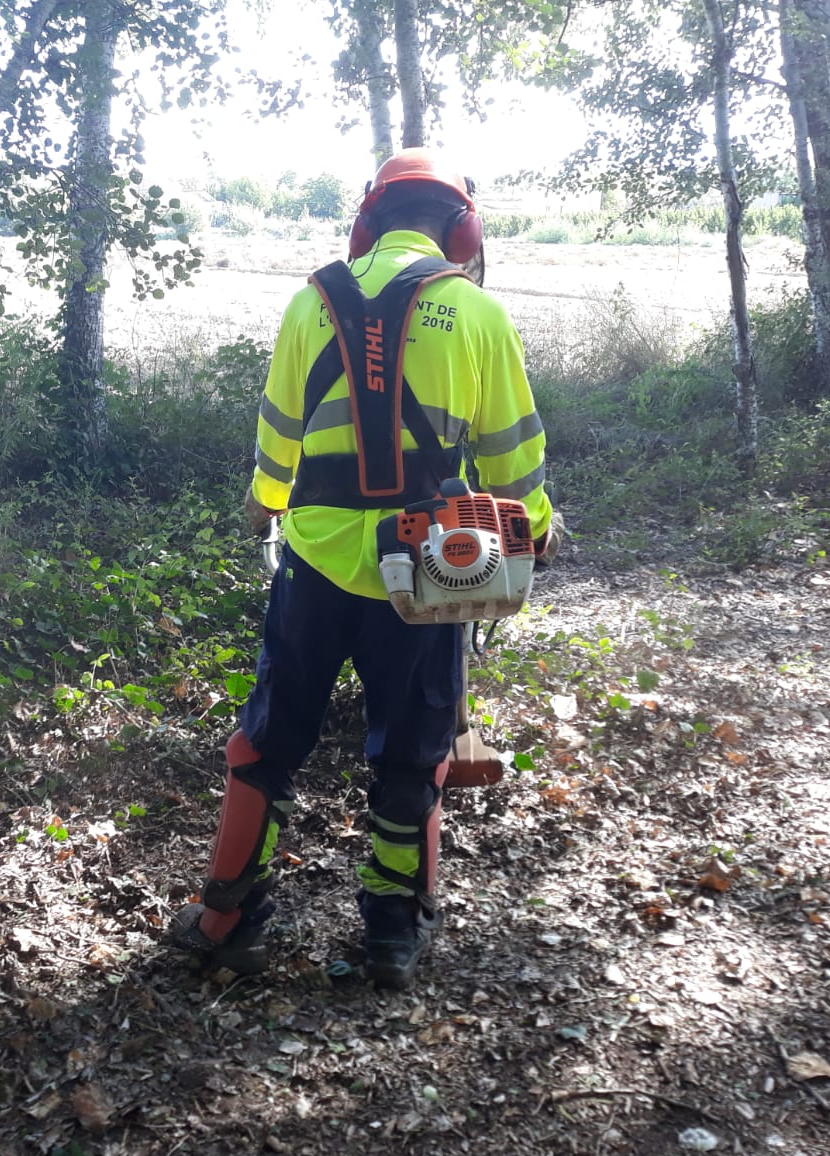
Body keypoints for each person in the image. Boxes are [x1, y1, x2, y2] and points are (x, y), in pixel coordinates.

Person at [169, 149, 560, 989]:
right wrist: (534, 525)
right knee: (414, 752)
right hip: (428, 570)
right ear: (462, 230)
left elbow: (280, 431)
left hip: (312, 561)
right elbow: (512, 454)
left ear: (367, 223)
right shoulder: (478, 314)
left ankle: (228, 918)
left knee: (267, 739)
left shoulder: (309, 304)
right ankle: (391, 936)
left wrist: (266, 498)